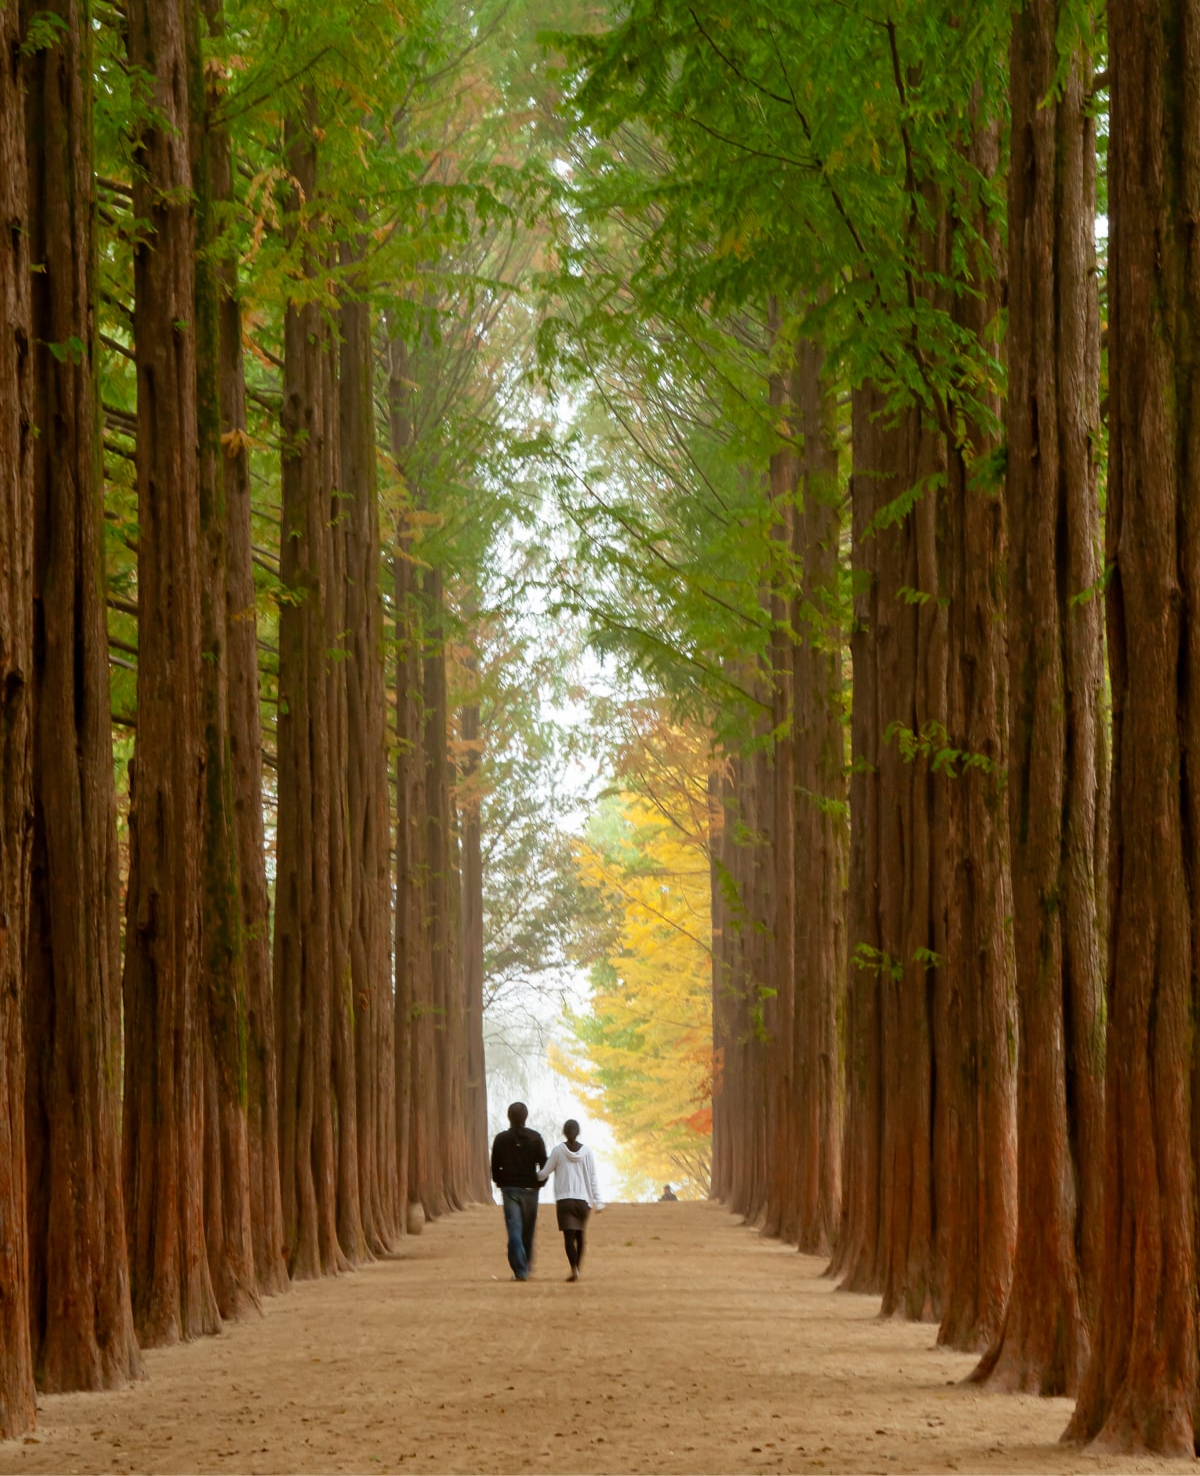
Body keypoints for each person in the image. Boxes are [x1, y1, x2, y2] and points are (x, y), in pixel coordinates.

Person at [538, 1118, 604, 1281]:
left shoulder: (558, 1151)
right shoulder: (587, 1152)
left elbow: (544, 1173)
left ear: (564, 1133)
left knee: (569, 1237)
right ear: (578, 1132)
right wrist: (598, 1200)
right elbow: (593, 1178)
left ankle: (573, 1268)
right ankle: (578, 1268)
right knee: (580, 1235)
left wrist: (530, 1175)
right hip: (583, 1200)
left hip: (564, 1199)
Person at [490, 1101, 547, 1281]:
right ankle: (526, 1265)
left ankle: (520, 1270)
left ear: (509, 1117)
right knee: (528, 1231)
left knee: (514, 1229)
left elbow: (494, 1166)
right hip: (530, 1189)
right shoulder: (536, 1138)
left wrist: (500, 1181)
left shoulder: (501, 1139)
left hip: (510, 1189)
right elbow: (544, 1164)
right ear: (525, 1117)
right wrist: (540, 1183)